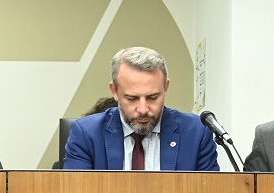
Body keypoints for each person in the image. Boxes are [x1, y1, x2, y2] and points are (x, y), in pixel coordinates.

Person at [63, 46, 217, 172]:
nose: (143, 109)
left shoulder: (197, 133)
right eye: (132, 98)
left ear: (165, 88)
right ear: (114, 91)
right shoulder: (86, 134)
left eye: (152, 97)